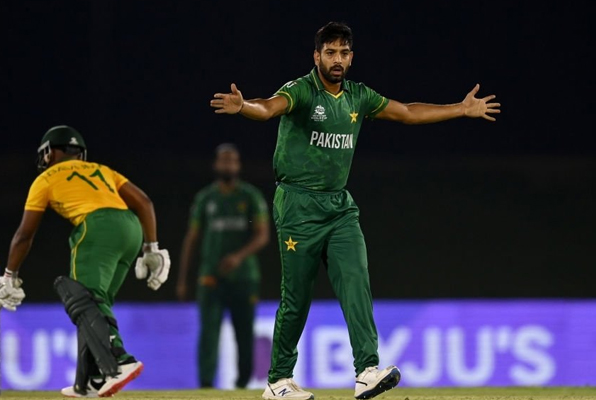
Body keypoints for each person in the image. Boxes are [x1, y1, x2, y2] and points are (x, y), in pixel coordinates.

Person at [209, 22, 500, 400]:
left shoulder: (358, 97)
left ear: (351, 57)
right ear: (316, 56)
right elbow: (267, 109)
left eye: (344, 53)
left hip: (339, 206)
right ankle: (278, 382)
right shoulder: (302, 90)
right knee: (296, 297)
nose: (337, 60)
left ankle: (366, 370)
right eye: (330, 52)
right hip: (297, 204)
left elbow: (408, 113)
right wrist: (243, 106)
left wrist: (461, 108)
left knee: (356, 281)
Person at [0, 126, 171, 398]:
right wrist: (151, 248)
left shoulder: (46, 178)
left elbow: (24, 235)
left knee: (83, 298)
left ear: (51, 152)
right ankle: (91, 378)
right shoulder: (102, 170)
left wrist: (9, 274)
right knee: (96, 305)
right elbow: (144, 202)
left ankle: (118, 359)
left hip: (96, 227)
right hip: (131, 229)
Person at [176, 143, 270, 389]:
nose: (228, 165)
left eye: (232, 161)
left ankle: (242, 383)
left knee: (244, 333)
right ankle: (206, 385)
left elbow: (262, 235)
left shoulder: (250, 197)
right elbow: (192, 238)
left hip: (244, 277)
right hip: (211, 276)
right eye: (224, 161)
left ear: (238, 165)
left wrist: (238, 256)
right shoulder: (206, 198)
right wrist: (183, 279)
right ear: (216, 165)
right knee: (208, 332)